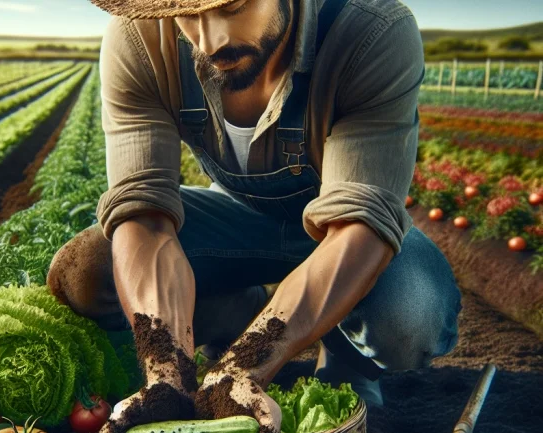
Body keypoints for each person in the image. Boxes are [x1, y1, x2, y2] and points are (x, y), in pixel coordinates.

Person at [47, 1, 463, 432]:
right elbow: (145, 217)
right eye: (186, 14)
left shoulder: (372, 32)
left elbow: (358, 227)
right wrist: (164, 374)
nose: (210, 41)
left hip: (343, 229)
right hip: (235, 218)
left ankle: (346, 359)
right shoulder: (140, 36)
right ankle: (238, 314)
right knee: (89, 267)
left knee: (411, 312)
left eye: (233, 6)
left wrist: (246, 367)